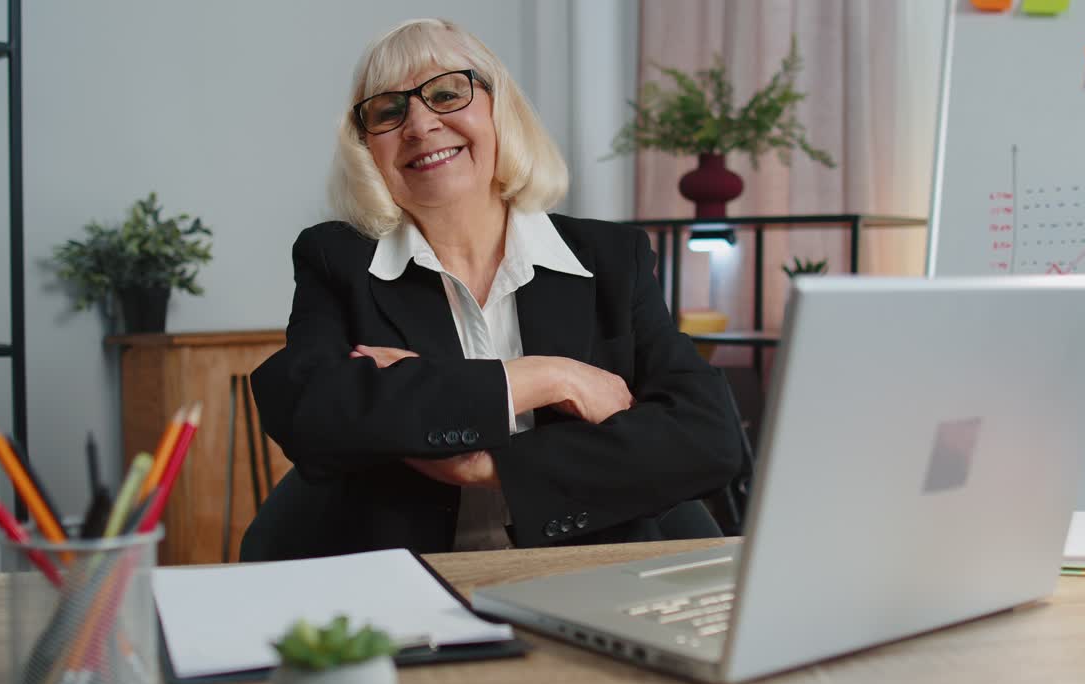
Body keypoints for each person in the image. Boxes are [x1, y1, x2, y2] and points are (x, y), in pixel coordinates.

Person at [246, 18, 743, 559]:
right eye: (388, 111)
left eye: (446, 94)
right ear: (367, 146)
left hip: (583, 568)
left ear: (498, 109)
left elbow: (705, 436)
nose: (419, 124)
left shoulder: (610, 258)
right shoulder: (337, 258)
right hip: (406, 576)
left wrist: (493, 466)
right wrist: (547, 378)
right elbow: (314, 412)